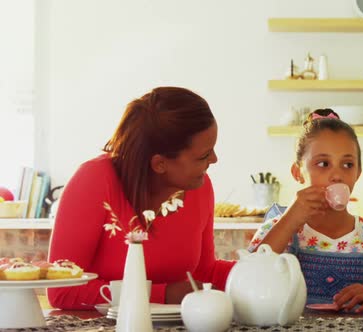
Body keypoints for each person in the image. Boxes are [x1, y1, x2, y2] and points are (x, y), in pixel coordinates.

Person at [48, 87, 235, 309]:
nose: (214, 159)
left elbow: (204, 272)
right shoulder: (94, 182)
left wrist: (265, 270)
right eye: (204, 155)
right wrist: (162, 295)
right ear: (160, 164)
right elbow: (62, 290)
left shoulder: (199, 188)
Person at [248, 109, 363, 312]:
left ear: (358, 173)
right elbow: (248, 278)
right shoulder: (280, 228)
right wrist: (289, 220)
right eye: (323, 164)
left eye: (347, 165)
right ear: (297, 173)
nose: (337, 175)